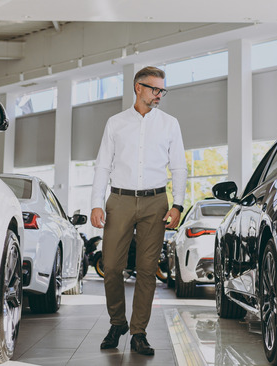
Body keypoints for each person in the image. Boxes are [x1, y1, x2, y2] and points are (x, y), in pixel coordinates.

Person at [90, 66, 187, 356]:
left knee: (146, 270)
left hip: (155, 202)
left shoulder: (170, 124)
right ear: (138, 88)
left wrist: (178, 204)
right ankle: (117, 322)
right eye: (154, 89)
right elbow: (103, 165)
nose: (159, 95)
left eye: (162, 90)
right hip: (119, 200)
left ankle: (138, 332)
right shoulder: (115, 123)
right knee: (112, 267)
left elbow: (179, 166)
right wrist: (96, 202)